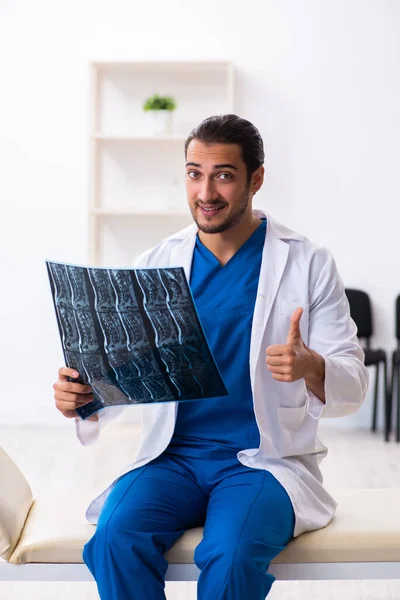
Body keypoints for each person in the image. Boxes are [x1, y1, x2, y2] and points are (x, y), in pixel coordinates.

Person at [53, 114, 368, 600]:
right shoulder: (155, 263)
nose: (206, 191)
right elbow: (130, 376)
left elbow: (352, 384)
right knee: (115, 539)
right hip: (172, 460)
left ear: (255, 179)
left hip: (261, 463)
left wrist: (312, 367)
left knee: (232, 554)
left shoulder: (308, 262)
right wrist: (83, 396)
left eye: (223, 174)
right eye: (194, 173)